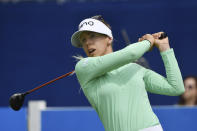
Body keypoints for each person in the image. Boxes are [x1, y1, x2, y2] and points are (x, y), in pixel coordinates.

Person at [71, 15, 185, 131]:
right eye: (83, 40)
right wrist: (148, 42)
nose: (87, 43)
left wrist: (165, 48)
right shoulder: (83, 67)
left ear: (109, 38)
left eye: (92, 36)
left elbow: (176, 88)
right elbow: (131, 54)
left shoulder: (135, 68)